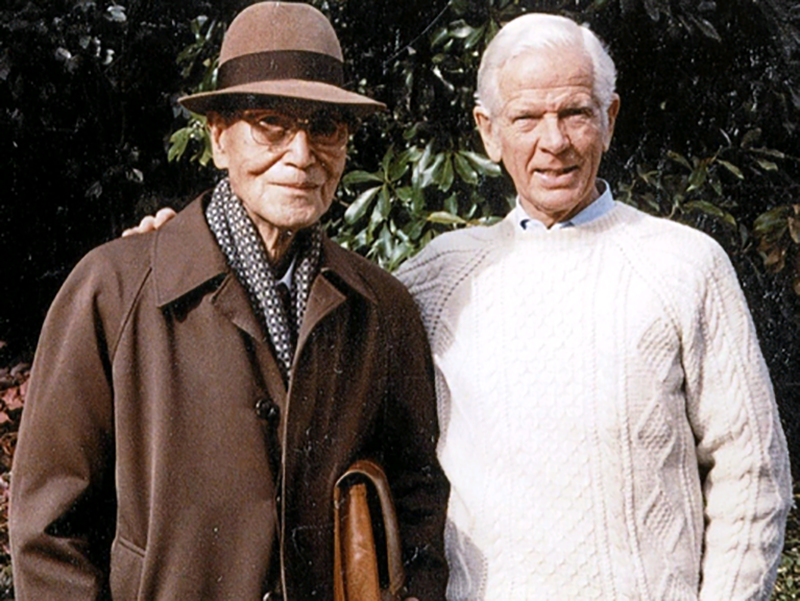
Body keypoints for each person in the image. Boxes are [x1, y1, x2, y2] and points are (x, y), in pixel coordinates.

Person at [9, 3, 448, 600]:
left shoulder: (380, 308)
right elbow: (49, 532)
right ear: (219, 139)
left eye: (326, 128)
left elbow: (419, 496)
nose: (301, 155)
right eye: (271, 123)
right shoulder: (114, 290)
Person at [394, 13, 792, 600]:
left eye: (575, 113)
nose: (553, 142)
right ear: (487, 130)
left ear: (608, 119)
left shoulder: (686, 265)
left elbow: (752, 475)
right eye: (526, 118)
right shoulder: (439, 278)